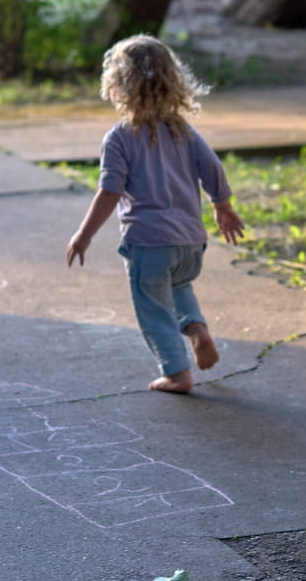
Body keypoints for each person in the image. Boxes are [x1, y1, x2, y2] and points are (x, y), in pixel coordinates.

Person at [66, 34, 245, 394]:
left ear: (117, 86)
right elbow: (212, 168)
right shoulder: (183, 130)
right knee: (179, 287)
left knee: (153, 307)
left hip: (148, 243)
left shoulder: (119, 137)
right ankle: (197, 330)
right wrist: (222, 206)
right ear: (172, 81)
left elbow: (110, 190)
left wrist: (83, 235)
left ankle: (176, 373)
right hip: (190, 241)